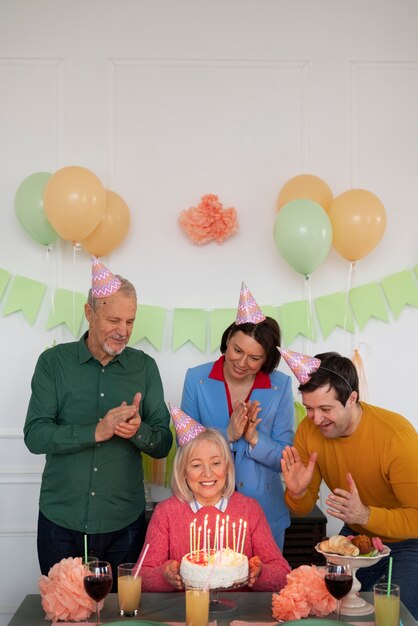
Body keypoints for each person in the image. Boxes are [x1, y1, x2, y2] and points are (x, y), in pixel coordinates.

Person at [24, 257, 173, 588]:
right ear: (89, 313)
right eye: (114, 319)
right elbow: (35, 435)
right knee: (65, 613)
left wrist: (138, 432)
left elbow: (163, 442)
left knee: (121, 614)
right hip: (60, 520)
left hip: (125, 523)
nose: (124, 331)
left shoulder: (144, 368)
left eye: (131, 321)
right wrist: (97, 431)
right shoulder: (53, 364)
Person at [280, 349, 418, 619]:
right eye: (309, 408)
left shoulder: (396, 437)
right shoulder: (308, 431)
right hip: (356, 535)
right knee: (330, 610)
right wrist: (296, 493)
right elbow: (304, 505)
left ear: (352, 398)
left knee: (396, 616)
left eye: (325, 409)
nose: (316, 419)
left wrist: (366, 514)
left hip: (409, 542)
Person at [181, 283, 294, 549]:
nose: (243, 363)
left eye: (255, 358)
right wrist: (227, 435)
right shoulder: (196, 379)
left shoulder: (281, 386)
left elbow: (285, 459)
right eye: (237, 350)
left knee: (266, 587)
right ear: (227, 341)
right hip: (206, 512)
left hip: (266, 514)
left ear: (266, 359)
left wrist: (255, 439)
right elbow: (185, 447)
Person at [135, 407, 291, 591]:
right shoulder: (166, 513)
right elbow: (140, 576)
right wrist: (164, 575)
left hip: (239, 613)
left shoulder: (249, 510)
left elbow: (283, 573)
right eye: (196, 465)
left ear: (227, 467)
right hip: (186, 613)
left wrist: (261, 572)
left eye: (216, 463)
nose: (207, 473)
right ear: (183, 471)